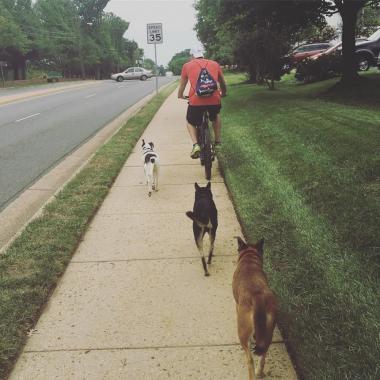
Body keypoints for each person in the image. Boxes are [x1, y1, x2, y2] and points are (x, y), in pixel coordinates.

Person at [178, 48, 227, 159]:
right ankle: (218, 142)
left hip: (195, 101)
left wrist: (180, 95)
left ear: (192, 57)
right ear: (202, 55)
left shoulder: (187, 66)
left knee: (190, 121)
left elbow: (182, 85)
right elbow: (223, 83)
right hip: (214, 100)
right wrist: (223, 93)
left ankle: (196, 145)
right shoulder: (214, 64)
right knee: (215, 116)